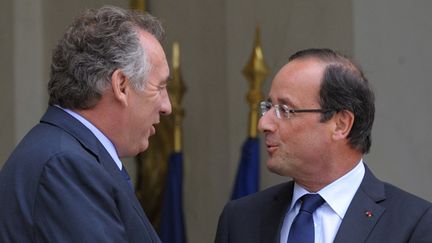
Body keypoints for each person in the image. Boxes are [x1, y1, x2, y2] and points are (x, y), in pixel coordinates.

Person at [215, 48, 432, 243]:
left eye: (285, 109)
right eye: (269, 107)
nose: (264, 123)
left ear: (341, 124)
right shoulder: (240, 219)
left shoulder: (415, 224)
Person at [0, 6, 171, 243]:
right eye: (160, 87)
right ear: (121, 85)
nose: (167, 106)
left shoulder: (71, 154)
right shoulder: (65, 165)